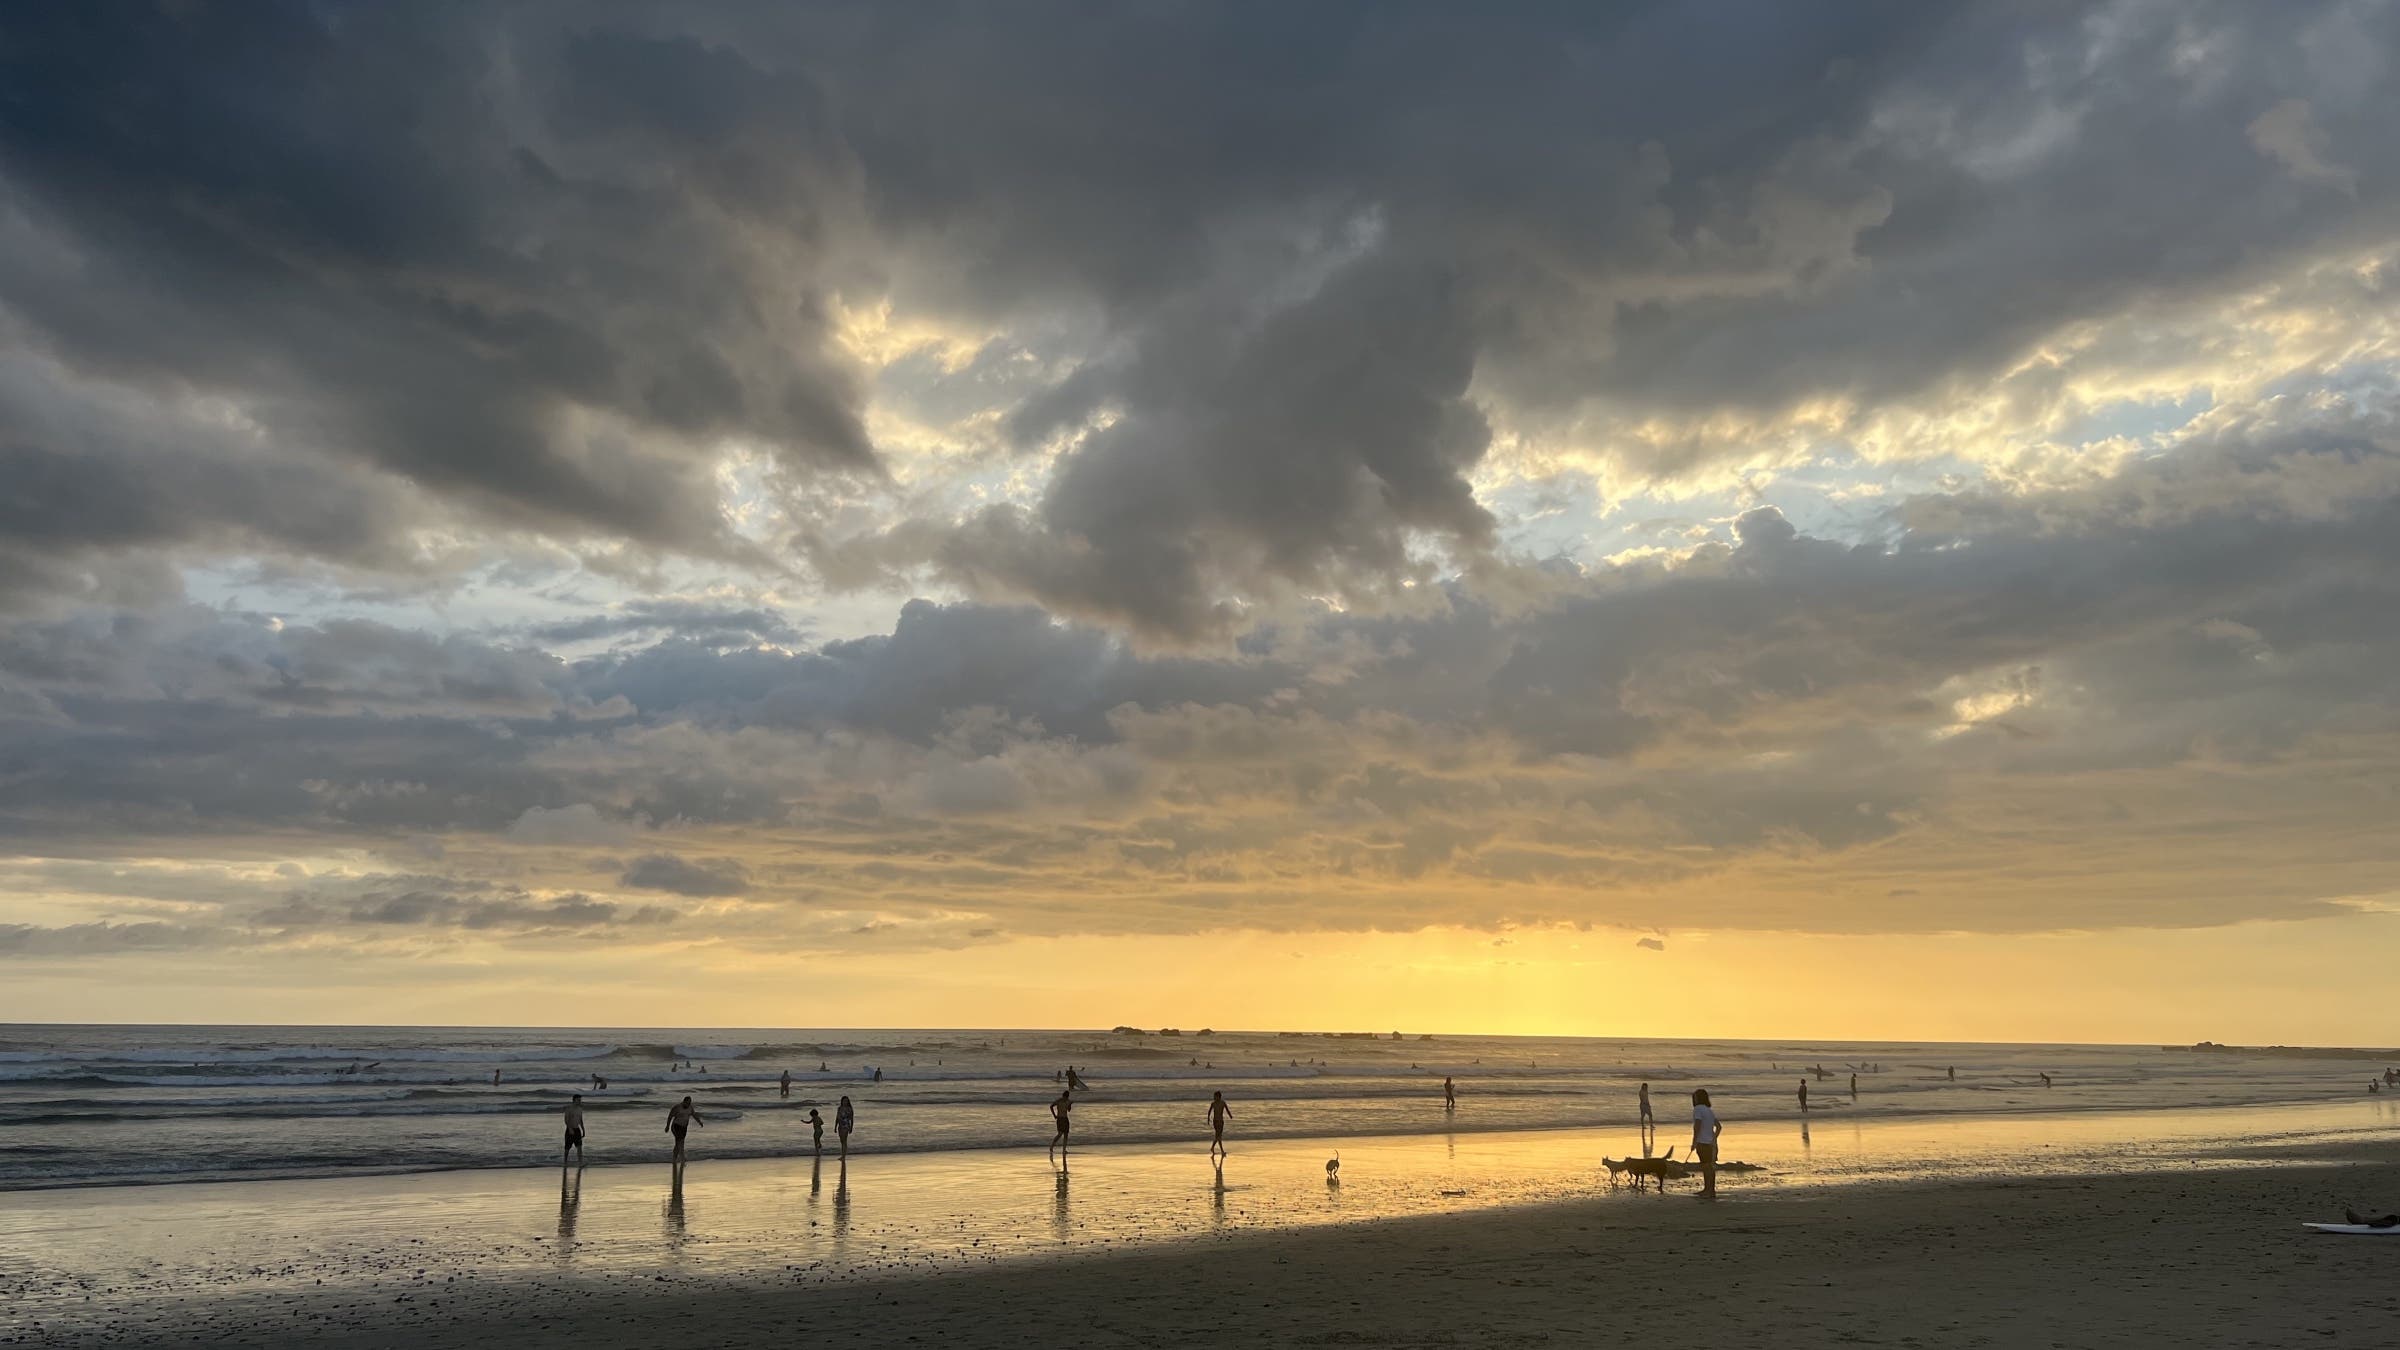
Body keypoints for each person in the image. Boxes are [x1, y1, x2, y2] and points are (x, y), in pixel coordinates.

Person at [1691, 1089, 1723, 1199]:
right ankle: (1710, 1190)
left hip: (1702, 1142)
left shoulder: (1698, 1109)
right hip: (1711, 1143)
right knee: (1709, 1167)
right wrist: (1714, 1138)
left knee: (1706, 1167)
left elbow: (1697, 1126)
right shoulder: (1709, 1110)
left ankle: (1708, 1190)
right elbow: (1719, 1127)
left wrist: (1694, 1142)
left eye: (1695, 1097)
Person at [665, 1095, 703, 1164]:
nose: (688, 1104)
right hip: (676, 1126)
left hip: (684, 1127)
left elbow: (694, 1115)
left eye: (689, 1103)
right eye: (687, 1103)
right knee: (679, 1142)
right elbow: (670, 1116)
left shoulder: (690, 1108)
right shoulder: (677, 1107)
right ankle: (681, 1158)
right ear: (684, 1101)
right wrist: (667, 1126)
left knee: (679, 1143)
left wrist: (699, 1122)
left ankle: (675, 1159)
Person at [563, 1093, 587, 1165]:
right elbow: (566, 1120)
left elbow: (580, 1120)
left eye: (580, 1100)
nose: (579, 1101)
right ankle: (565, 1162)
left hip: (577, 1130)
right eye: (578, 1100)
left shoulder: (580, 1109)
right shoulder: (569, 1109)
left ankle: (580, 1162)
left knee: (579, 1147)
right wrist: (570, 1129)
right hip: (570, 1130)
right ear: (574, 1100)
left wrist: (583, 1129)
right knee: (567, 1148)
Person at [1206, 1091, 1232, 1155]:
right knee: (1218, 1136)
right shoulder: (1213, 1104)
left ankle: (1212, 1148)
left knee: (1218, 1136)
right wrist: (1208, 1119)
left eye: (1215, 1096)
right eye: (1214, 1096)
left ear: (1218, 1096)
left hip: (1221, 1121)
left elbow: (1227, 1109)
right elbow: (1209, 1111)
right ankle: (1222, 1151)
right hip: (1215, 1121)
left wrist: (1230, 1115)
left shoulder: (1223, 1103)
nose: (1214, 1097)